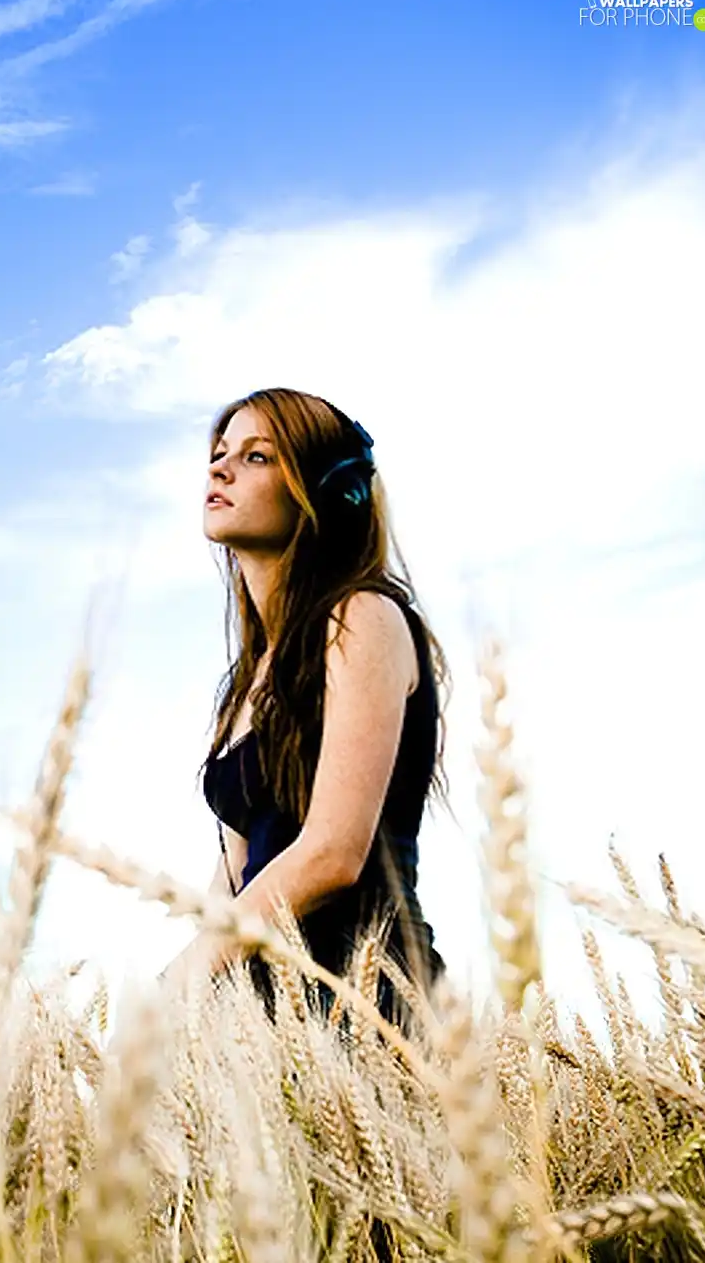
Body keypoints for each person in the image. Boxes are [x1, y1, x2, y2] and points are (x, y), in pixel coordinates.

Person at [167, 387, 449, 1034]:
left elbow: (332, 851)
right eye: (219, 453)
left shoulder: (363, 617)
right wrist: (195, 1016)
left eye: (257, 455)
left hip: (367, 1003)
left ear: (325, 488)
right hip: (269, 1020)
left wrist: (178, 980)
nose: (220, 467)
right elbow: (235, 878)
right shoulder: (247, 681)